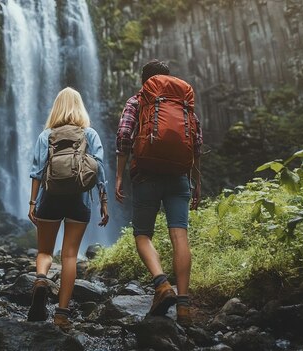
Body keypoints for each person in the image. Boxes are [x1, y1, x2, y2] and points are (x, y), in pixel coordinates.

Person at [115, 60, 202, 327]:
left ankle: (162, 284)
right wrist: (196, 181)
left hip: (146, 174)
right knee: (180, 234)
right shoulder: (183, 103)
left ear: (145, 81)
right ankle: (184, 306)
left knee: (143, 234)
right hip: (179, 177)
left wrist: (119, 175)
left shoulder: (137, 100)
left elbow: (123, 137)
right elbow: (196, 143)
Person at [27, 87, 109, 330]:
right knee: (70, 255)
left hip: (49, 197)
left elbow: (37, 172)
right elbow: (100, 169)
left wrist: (33, 203)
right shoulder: (90, 134)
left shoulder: (46, 135)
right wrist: (104, 201)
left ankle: (41, 280)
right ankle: (61, 314)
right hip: (80, 198)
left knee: (44, 251)